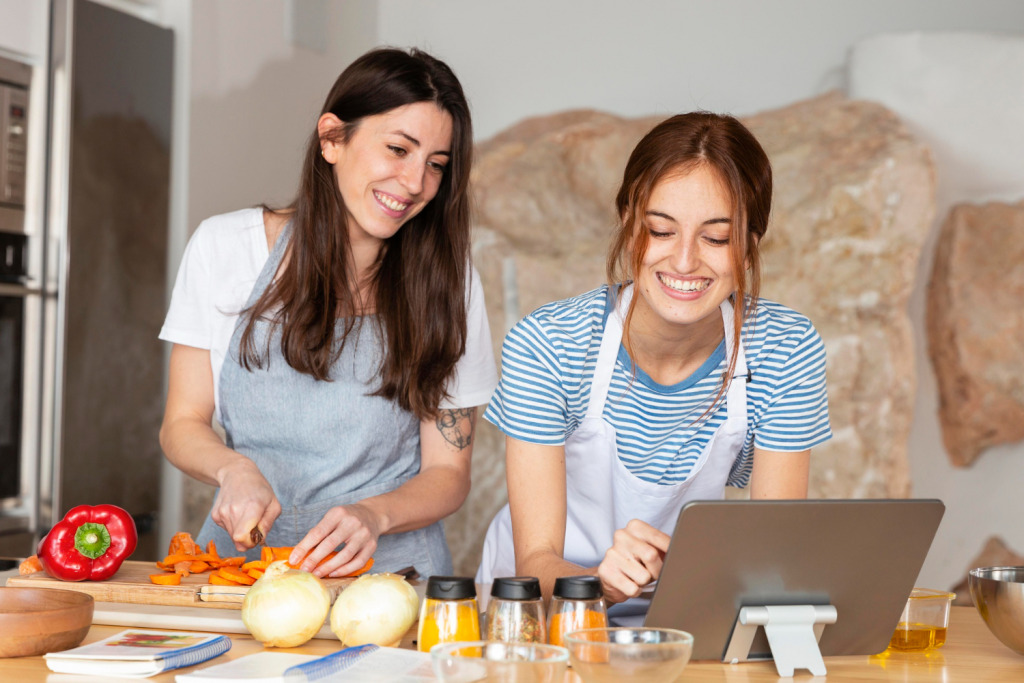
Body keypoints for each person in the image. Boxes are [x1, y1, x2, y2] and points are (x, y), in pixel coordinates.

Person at [159, 48, 497, 579]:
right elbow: (182, 423)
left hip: (391, 579)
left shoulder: (449, 284)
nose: (415, 183)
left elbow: (448, 472)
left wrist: (374, 514)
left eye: (435, 165)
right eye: (398, 149)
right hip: (239, 572)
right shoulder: (225, 248)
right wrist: (232, 469)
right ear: (332, 139)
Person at [477, 112, 831, 610]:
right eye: (661, 230)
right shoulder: (550, 344)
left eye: (716, 238)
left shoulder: (785, 348)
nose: (684, 262)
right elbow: (534, 560)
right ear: (628, 225)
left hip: (685, 610)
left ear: (750, 246)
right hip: (541, 612)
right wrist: (599, 584)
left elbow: (772, 550)